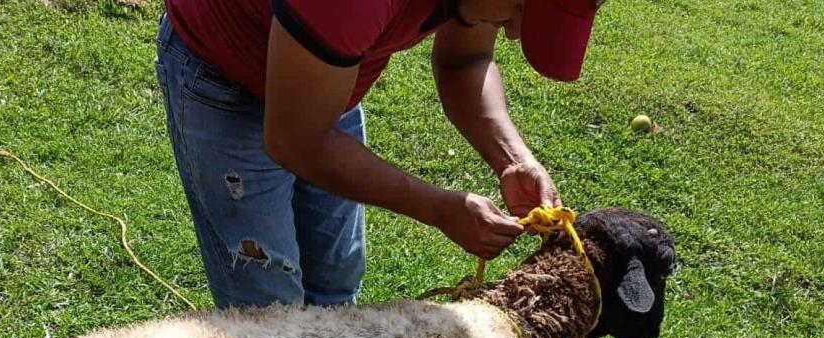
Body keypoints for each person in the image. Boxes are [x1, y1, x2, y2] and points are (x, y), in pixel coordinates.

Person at [155, 0, 602, 308]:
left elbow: (463, 61)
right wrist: (440, 209)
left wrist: (513, 159)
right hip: (226, 80)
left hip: (328, 75)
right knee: (267, 308)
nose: (516, 31)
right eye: (523, 8)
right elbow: (296, 140)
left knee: (335, 279)